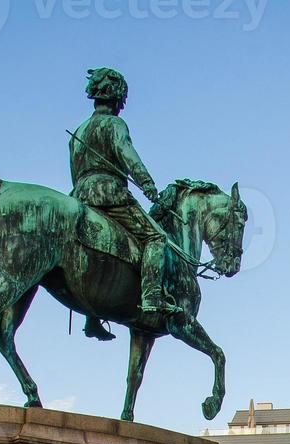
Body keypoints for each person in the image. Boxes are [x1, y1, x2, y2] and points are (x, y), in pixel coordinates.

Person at [69, 67, 181, 341]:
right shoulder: (115, 125)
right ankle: (152, 296)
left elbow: (74, 170)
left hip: (79, 195)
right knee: (156, 236)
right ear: (118, 96)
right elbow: (127, 155)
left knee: (98, 247)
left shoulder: (79, 131)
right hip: (108, 193)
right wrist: (148, 185)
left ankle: (92, 320)